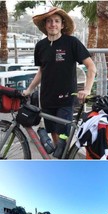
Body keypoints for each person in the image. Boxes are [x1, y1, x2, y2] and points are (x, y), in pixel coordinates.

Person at [23, 7, 96, 146]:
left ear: (62, 25)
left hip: (66, 98)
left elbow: (91, 67)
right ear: (45, 25)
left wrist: (87, 90)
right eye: (49, 21)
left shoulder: (72, 42)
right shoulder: (40, 46)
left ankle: (64, 157)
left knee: (63, 135)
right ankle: (59, 159)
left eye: (57, 21)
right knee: (53, 133)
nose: (53, 24)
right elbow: (42, 71)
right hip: (46, 97)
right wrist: (30, 89)